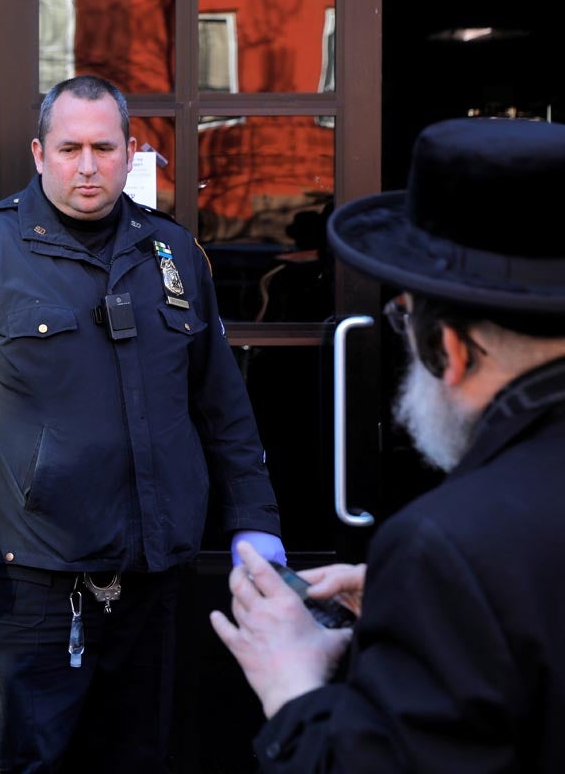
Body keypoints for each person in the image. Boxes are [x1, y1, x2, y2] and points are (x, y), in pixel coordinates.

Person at [0, 74, 284, 773]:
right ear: (38, 152)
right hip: (27, 588)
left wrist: (254, 516)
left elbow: (222, 404)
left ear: (130, 151)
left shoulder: (170, 255)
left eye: (104, 148)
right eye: (69, 147)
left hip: (150, 580)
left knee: (138, 760)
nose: (87, 165)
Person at [211, 117, 565, 773]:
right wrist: (432, 603)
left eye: (403, 318)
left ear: (448, 347)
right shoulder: (455, 564)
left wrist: (291, 684)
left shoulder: (447, 544)